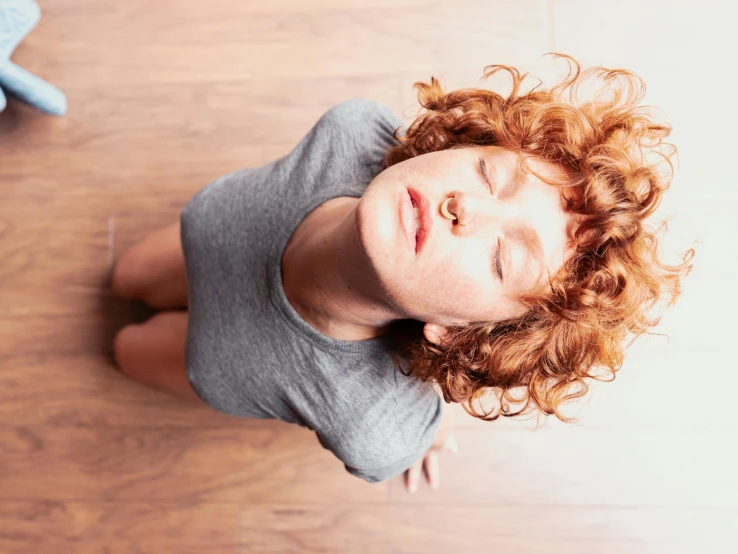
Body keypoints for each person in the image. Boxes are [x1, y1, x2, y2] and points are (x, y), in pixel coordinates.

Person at [110, 54, 693, 493]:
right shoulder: (355, 132)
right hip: (208, 242)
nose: (467, 207)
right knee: (125, 278)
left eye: (502, 258)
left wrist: (427, 436)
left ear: (459, 330)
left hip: (219, 363)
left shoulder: (373, 427)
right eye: (490, 175)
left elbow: (399, 432)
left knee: (125, 349)